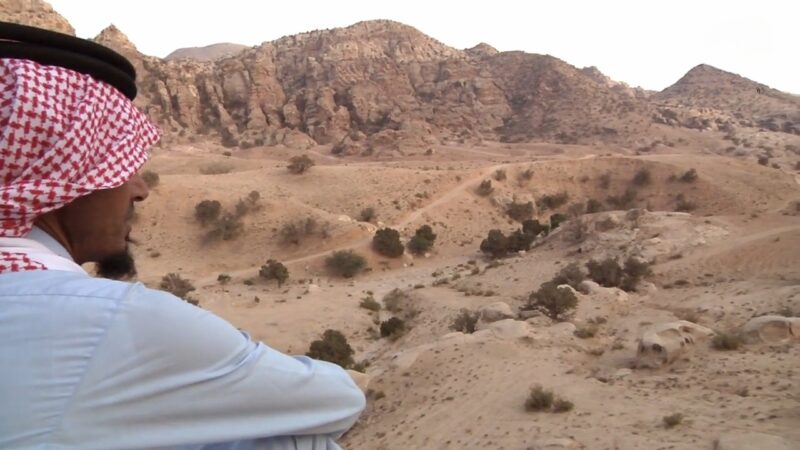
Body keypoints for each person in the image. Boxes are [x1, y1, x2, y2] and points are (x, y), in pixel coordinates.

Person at [0, 22, 365, 450]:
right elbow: (334, 402)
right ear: (58, 175)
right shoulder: (111, 321)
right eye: (120, 167)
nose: (139, 189)